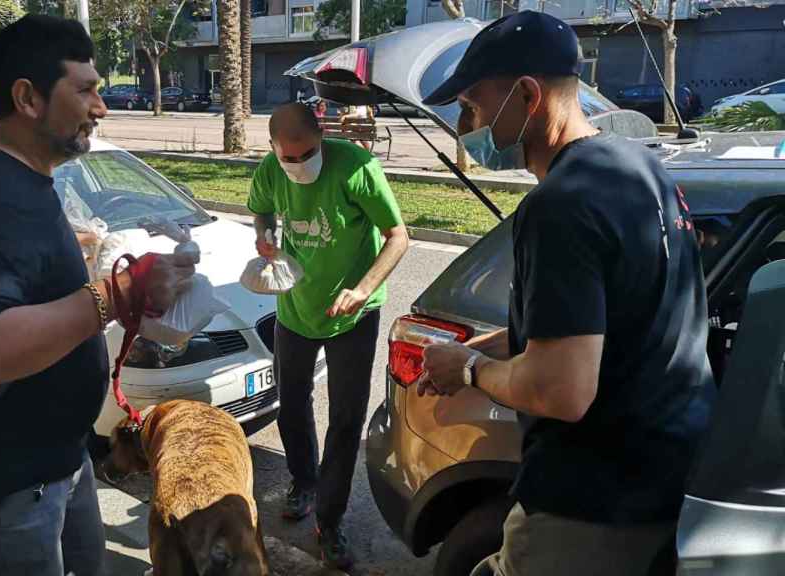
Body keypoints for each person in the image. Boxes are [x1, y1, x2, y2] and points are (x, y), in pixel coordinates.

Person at [417, 12, 715, 576]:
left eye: (473, 107)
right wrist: (500, 343)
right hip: (667, 475)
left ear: (527, 96)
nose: (465, 126)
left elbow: (562, 391)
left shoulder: (560, 206)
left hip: (593, 501)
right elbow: (614, 317)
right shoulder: (640, 169)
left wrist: (470, 370)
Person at [0, 15, 195, 576]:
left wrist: (123, 276)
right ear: (28, 98)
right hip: (5, 481)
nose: (102, 106)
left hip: (60, 460)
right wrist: (117, 293)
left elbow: (31, 291)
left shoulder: (26, 177)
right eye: (86, 89)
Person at [248, 103, 409, 570]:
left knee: (345, 418)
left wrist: (363, 290)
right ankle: (303, 481)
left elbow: (398, 235)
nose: (299, 165)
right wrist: (265, 235)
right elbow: (259, 211)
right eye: (288, 157)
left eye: (308, 154)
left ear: (323, 136)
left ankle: (331, 520)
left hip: (353, 315)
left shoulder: (357, 167)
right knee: (292, 402)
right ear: (273, 149)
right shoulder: (269, 172)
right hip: (296, 308)